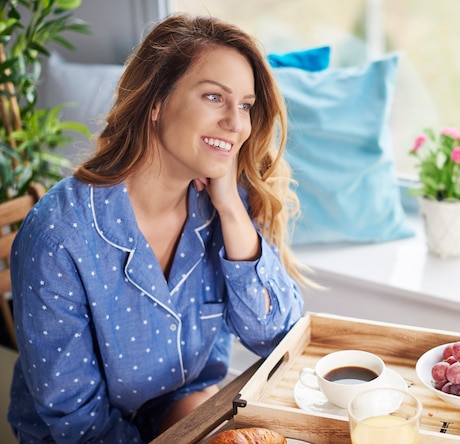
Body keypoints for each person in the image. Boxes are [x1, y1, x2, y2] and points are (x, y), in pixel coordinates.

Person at [8, 13, 308, 443]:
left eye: (244, 105)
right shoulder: (58, 236)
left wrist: (230, 209)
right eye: (213, 97)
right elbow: (77, 421)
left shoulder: (225, 205)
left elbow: (277, 338)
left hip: (183, 411)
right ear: (155, 102)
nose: (237, 123)